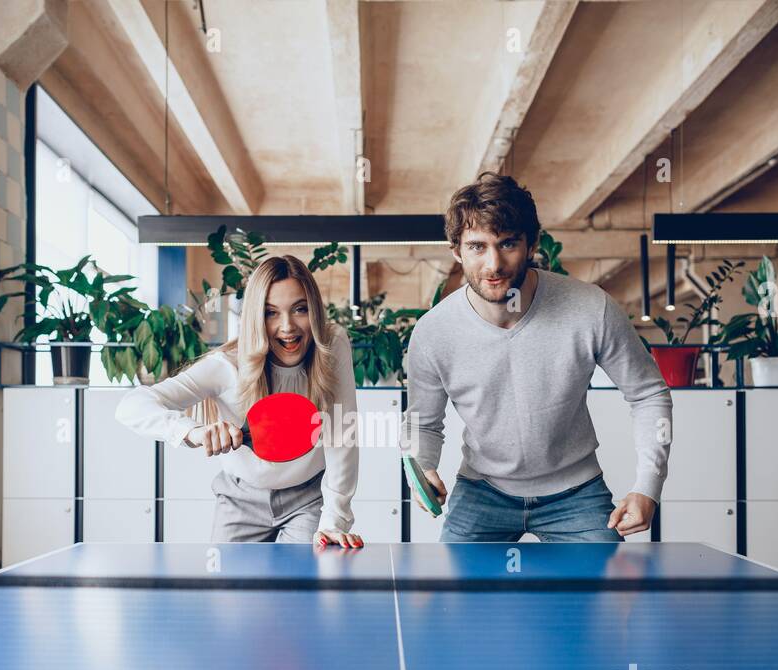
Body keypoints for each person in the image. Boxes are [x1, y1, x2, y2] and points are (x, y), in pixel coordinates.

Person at [400, 172, 672, 542]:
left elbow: (648, 394)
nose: (493, 264)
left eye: (508, 243)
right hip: (482, 493)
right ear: (456, 251)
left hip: (577, 493)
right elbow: (423, 423)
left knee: (606, 597)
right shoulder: (434, 332)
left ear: (531, 244)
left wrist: (647, 485)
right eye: (477, 246)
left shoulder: (591, 308)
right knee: (459, 600)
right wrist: (423, 467)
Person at [116, 255, 363, 548]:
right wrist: (193, 432)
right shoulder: (226, 366)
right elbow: (131, 406)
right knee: (227, 591)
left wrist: (334, 520)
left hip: (307, 501)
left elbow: (341, 436)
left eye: (300, 309)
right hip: (239, 500)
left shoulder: (332, 345)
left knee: (304, 589)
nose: (287, 327)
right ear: (255, 318)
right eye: (271, 313)